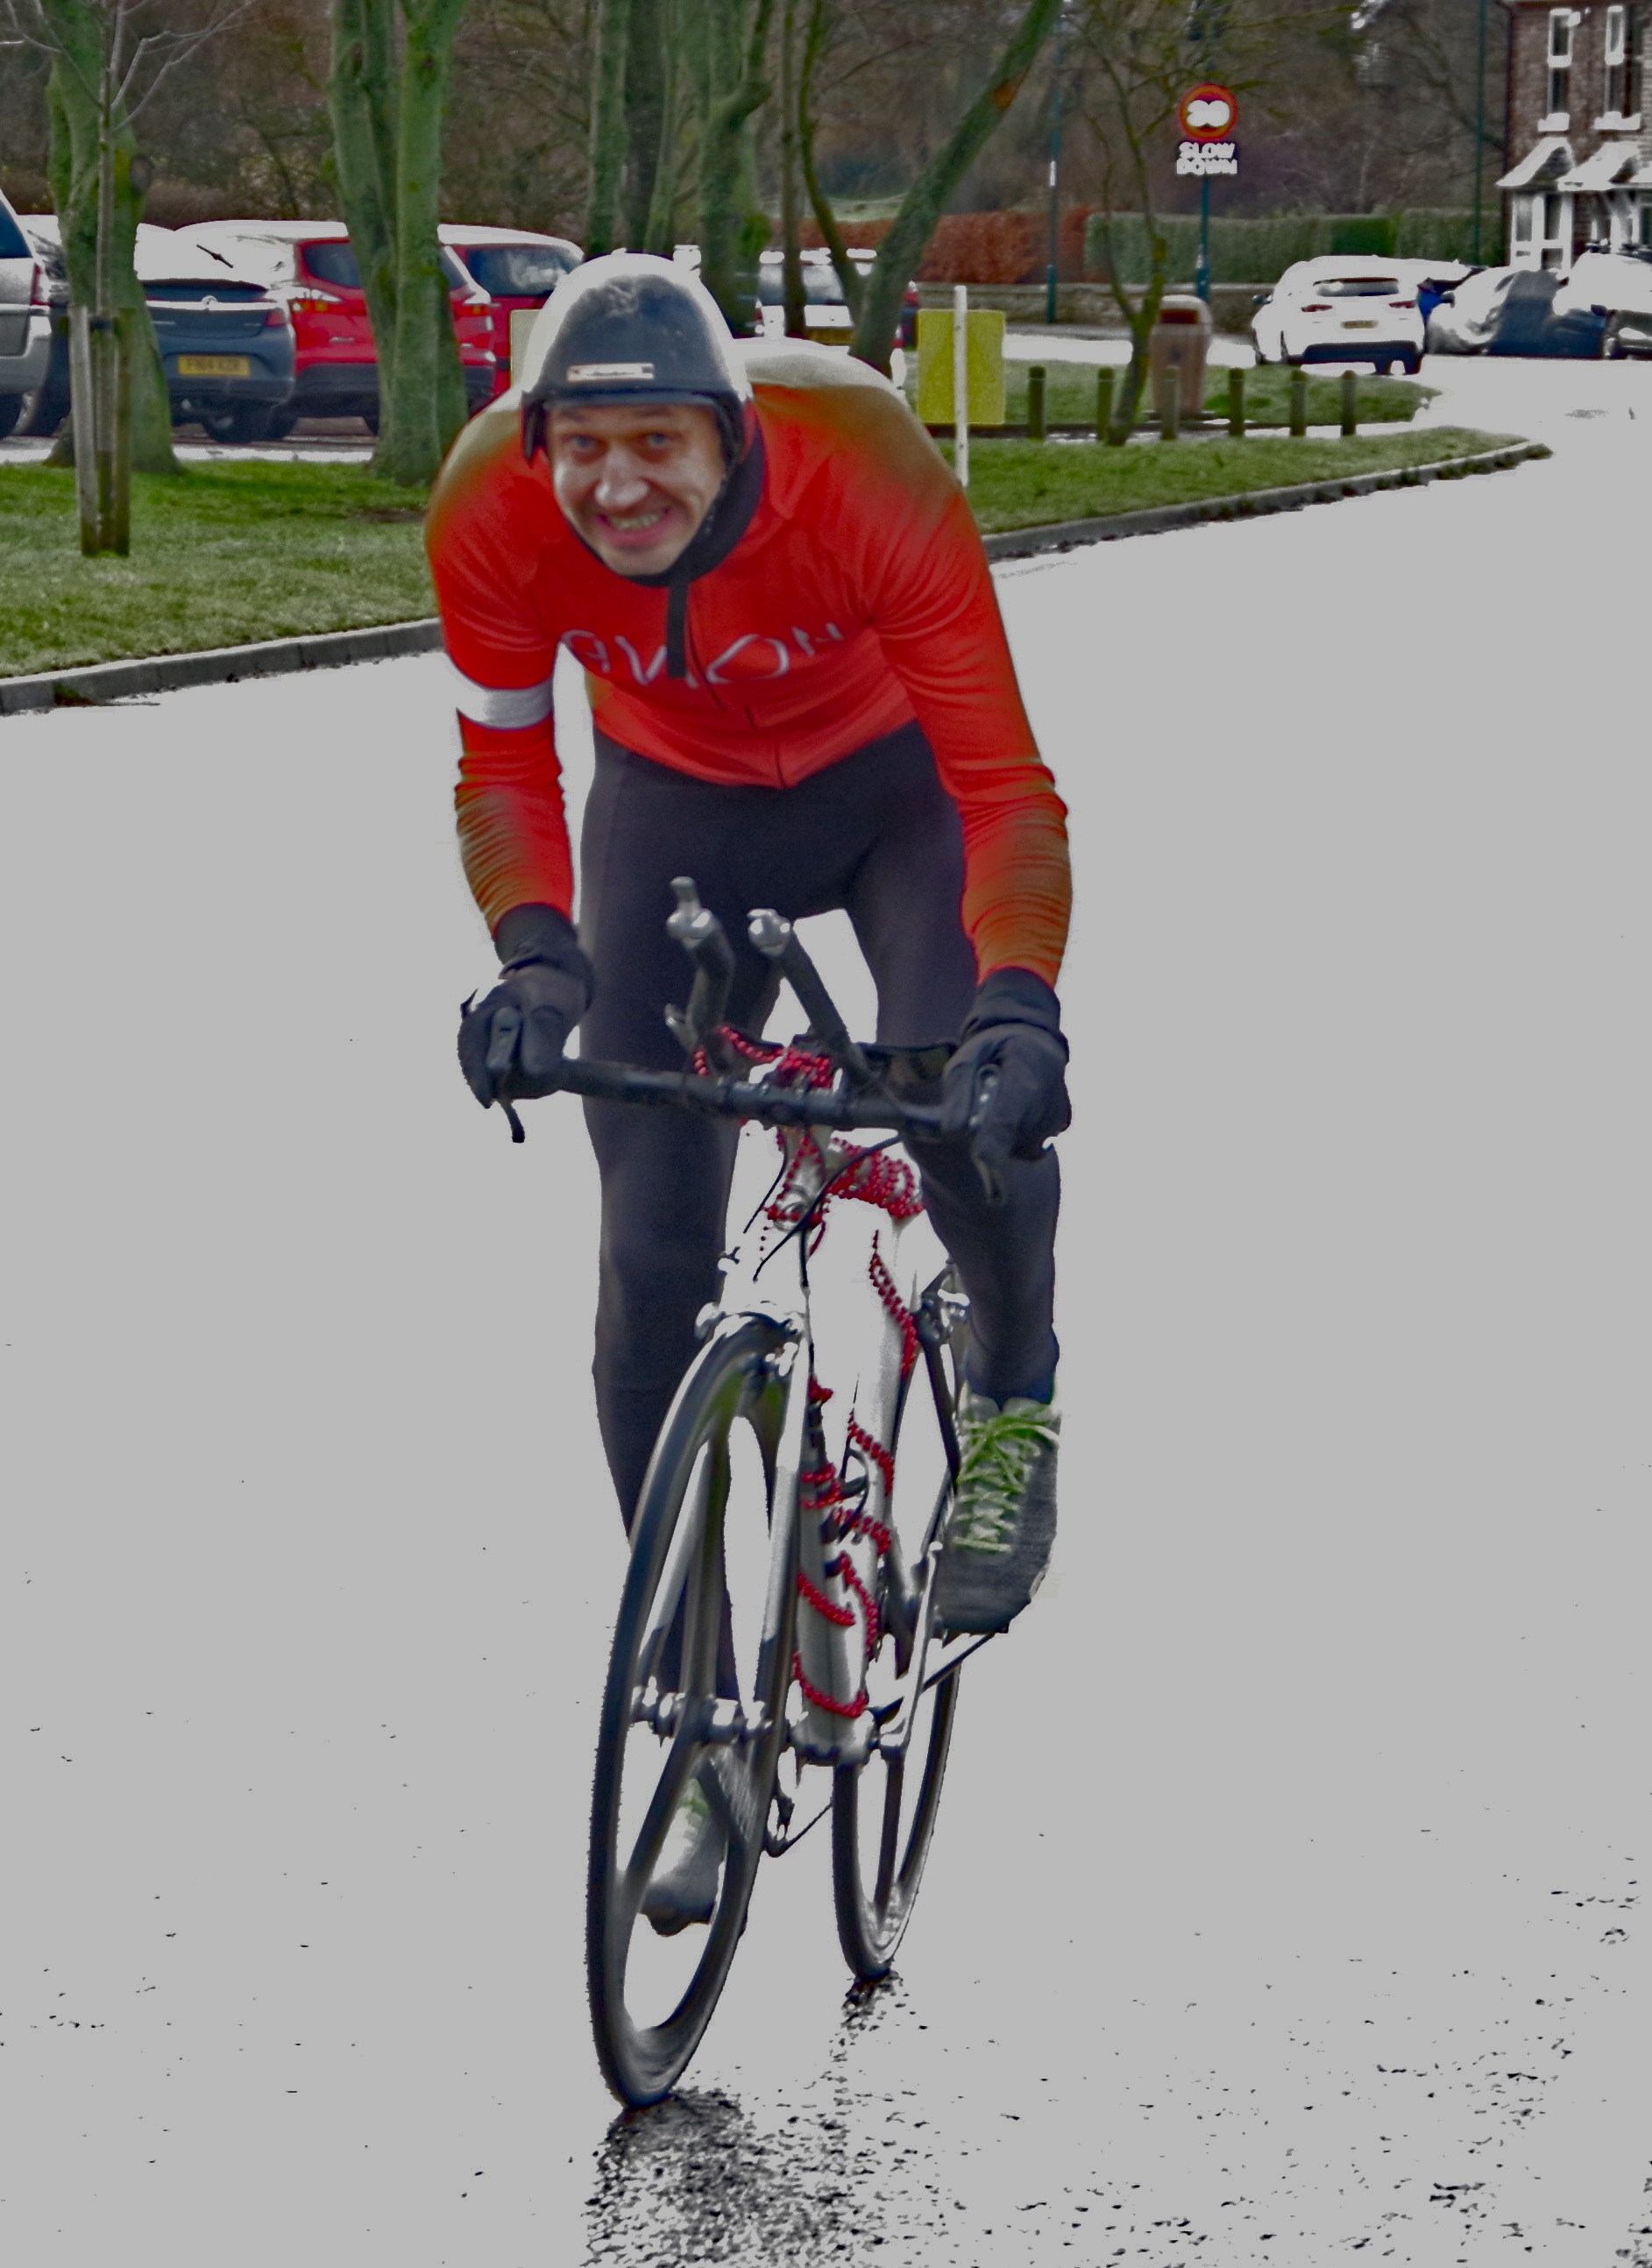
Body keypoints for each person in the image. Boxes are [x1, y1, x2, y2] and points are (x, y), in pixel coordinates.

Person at [427, 254, 1071, 1920]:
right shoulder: (489, 507)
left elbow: (1001, 780)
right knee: (647, 1256)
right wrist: (535, 957)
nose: (616, 484)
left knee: (959, 1104)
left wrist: (1018, 1002)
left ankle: (1014, 1394)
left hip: (895, 794)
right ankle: (701, 1696)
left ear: (732, 436)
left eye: (658, 443)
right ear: (538, 443)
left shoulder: (860, 464)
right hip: (673, 809)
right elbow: (502, 759)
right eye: (582, 447)